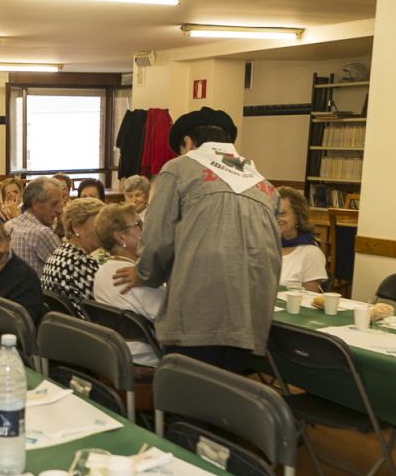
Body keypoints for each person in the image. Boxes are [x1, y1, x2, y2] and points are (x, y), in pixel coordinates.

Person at [114, 108, 280, 373]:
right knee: (229, 391)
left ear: (187, 142)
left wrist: (144, 273)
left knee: (189, 393)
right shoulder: (265, 187)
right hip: (249, 317)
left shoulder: (178, 169)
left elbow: (157, 237)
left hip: (196, 315)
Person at [92, 204, 165, 366]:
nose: (145, 230)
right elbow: (170, 320)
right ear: (121, 237)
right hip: (147, 361)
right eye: (138, 225)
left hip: (117, 356)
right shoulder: (133, 276)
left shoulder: (103, 270)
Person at [41, 197, 105, 313]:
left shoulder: (60, 253)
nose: (103, 230)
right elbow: (105, 307)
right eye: (98, 223)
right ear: (77, 228)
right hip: (83, 324)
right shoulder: (80, 262)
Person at [5, 176, 64, 277]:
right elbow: (67, 271)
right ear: (36, 203)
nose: (60, 211)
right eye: (54, 204)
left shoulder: (8, 225)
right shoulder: (41, 233)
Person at [277, 187, 327, 292]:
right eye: (272, 213)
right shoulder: (263, 247)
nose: (275, 218)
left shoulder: (311, 253)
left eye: (282, 213)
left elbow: (310, 299)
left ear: (298, 216)